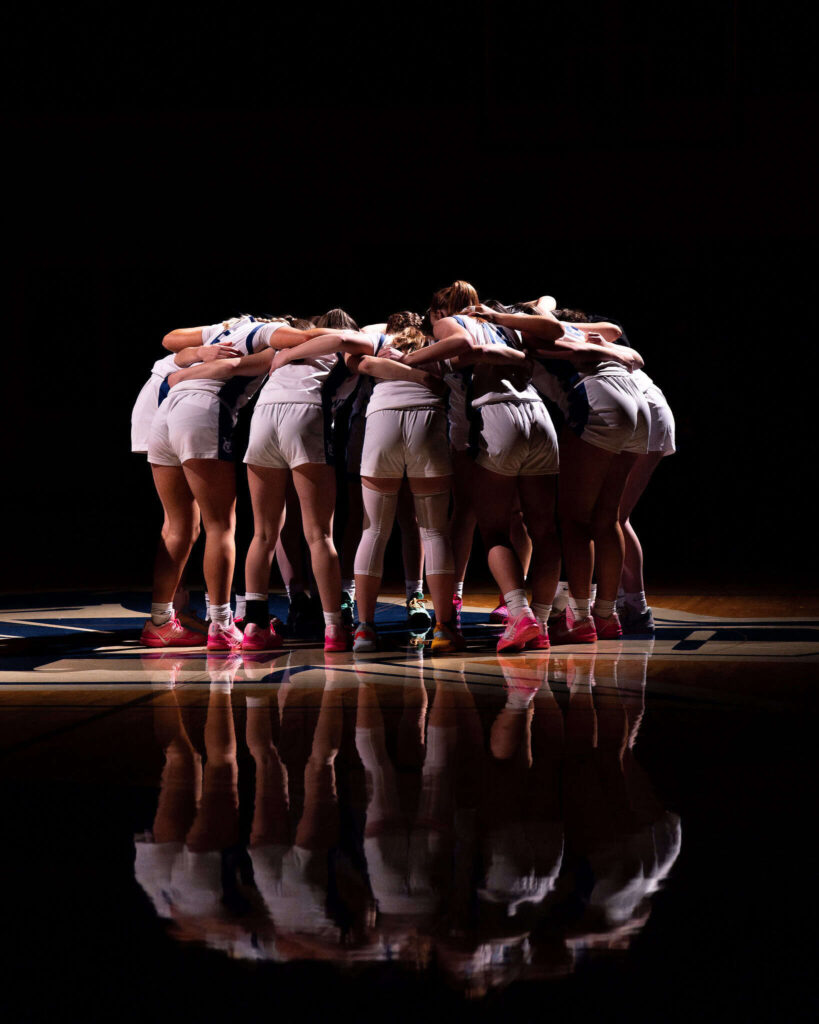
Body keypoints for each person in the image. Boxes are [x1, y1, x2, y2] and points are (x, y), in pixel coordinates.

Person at [144, 316, 330, 650]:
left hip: (164, 416)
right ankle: (221, 624)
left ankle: (159, 620)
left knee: (178, 526)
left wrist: (195, 357)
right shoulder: (265, 330)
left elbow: (172, 342)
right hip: (201, 412)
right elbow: (307, 337)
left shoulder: (223, 330)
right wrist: (346, 335)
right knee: (220, 526)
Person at [404, 289, 565, 653]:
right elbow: (552, 329)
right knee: (542, 527)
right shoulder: (507, 325)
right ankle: (538, 621)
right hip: (537, 416)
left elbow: (462, 343)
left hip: (493, 417)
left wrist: (410, 358)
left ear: (438, 310)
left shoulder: (451, 323)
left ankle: (517, 612)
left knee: (489, 526)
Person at [241, 309, 371, 653]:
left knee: (263, 532)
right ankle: (334, 628)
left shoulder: (285, 348)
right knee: (319, 534)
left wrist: (286, 351)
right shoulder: (347, 344)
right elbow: (350, 339)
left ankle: (253, 626)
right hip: (305, 413)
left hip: (263, 416)